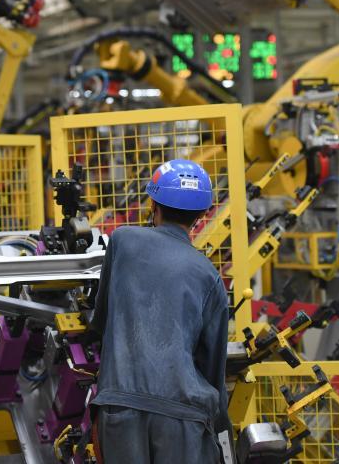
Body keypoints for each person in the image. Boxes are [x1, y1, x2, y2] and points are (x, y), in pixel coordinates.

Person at [89, 159, 231, 463]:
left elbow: (100, 321)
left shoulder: (123, 240)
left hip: (120, 406)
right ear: (202, 215)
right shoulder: (209, 276)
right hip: (183, 416)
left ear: (153, 203)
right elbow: (213, 366)